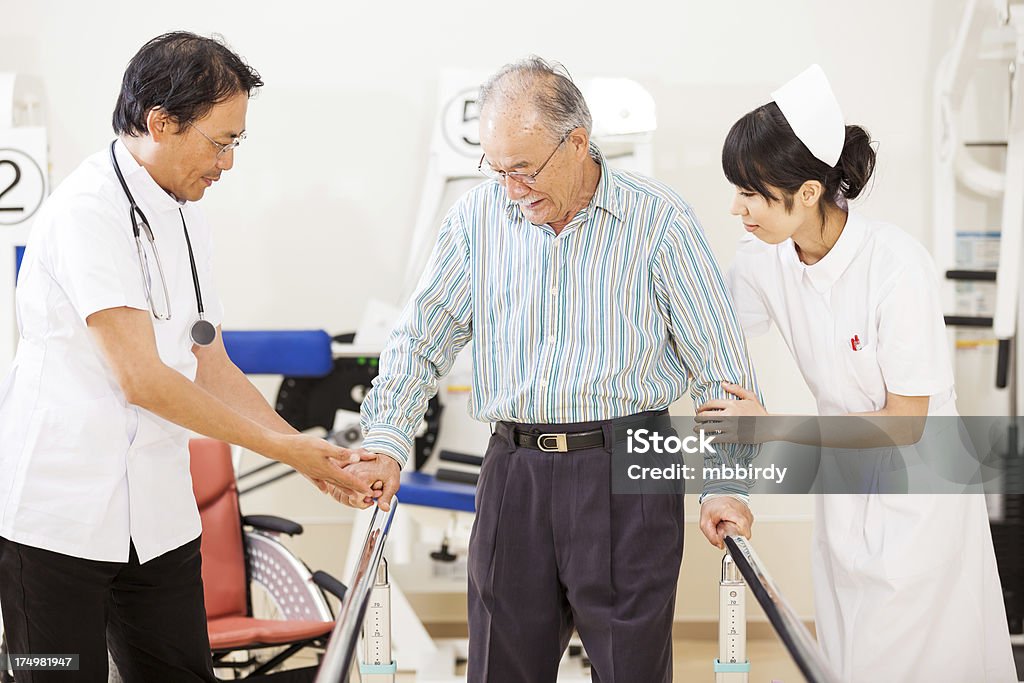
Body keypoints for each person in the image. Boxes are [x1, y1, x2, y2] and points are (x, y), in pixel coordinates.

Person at [351, 57, 760, 682]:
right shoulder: (477, 219)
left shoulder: (659, 220)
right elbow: (419, 340)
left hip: (630, 465)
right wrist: (385, 440)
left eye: (524, 169)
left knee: (631, 670)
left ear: (576, 142)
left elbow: (721, 372)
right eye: (498, 169)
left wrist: (725, 482)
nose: (511, 188)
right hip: (514, 470)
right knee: (501, 669)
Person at [0, 32, 371, 683]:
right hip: (54, 522)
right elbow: (142, 378)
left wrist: (309, 453)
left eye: (237, 143)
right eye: (219, 141)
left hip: (158, 519)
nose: (227, 162)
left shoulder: (186, 210)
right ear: (160, 123)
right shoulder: (87, 211)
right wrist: (290, 452)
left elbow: (211, 363)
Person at [701, 64, 1016, 682]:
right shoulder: (767, 259)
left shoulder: (897, 269)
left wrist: (774, 429)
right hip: (845, 498)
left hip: (921, 502)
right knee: (846, 662)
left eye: (751, 193)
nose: (736, 208)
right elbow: (708, 327)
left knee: (912, 663)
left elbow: (906, 425)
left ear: (809, 192)